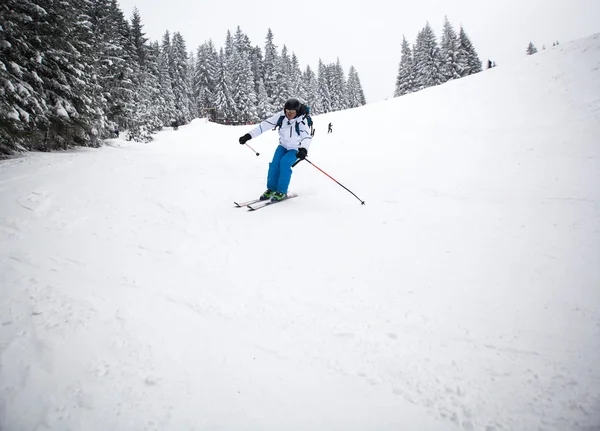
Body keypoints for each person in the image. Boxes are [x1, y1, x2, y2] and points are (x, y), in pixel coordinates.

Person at [239, 98, 312, 202]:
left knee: (285, 163)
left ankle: (282, 191)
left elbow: (306, 137)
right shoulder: (281, 116)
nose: (289, 114)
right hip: (283, 145)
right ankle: (271, 189)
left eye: (292, 112)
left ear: (297, 111)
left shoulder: (302, 120)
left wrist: (303, 149)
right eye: (287, 111)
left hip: (296, 148)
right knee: (274, 164)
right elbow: (264, 126)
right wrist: (248, 136)